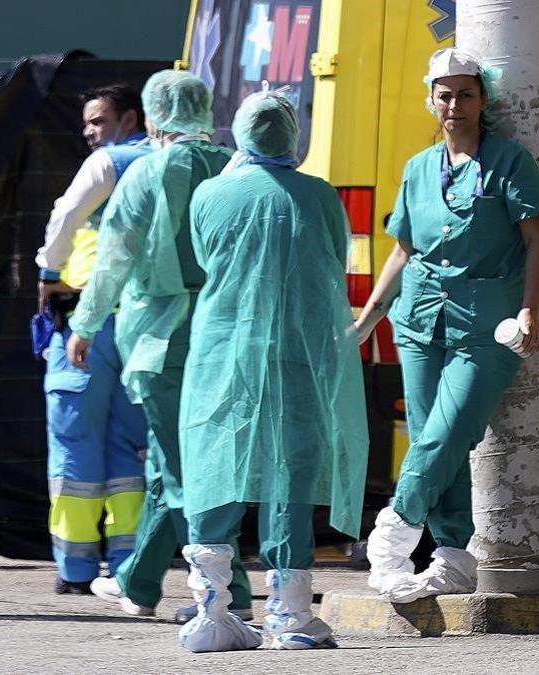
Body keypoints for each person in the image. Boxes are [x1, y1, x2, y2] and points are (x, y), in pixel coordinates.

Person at [355, 48, 539, 603]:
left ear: (483, 99)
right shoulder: (419, 167)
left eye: (466, 93)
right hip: (418, 320)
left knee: (446, 433)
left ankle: (392, 537)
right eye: (445, 94)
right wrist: (368, 319)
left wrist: (530, 309)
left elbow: (537, 237)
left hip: (487, 325)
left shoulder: (509, 161)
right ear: (431, 100)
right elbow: (402, 250)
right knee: (429, 439)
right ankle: (453, 557)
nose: (455, 104)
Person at [175, 90, 369, 652]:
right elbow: (337, 258)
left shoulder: (210, 195)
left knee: (218, 464)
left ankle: (214, 612)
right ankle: (289, 615)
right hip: (300, 353)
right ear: (292, 135)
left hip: (225, 351)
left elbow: (207, 260)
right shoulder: (319, 197)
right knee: (291, 475)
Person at [64, 71, 253, 623]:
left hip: (159, 338)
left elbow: (114, 258)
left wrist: (85, 323)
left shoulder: (146, 174)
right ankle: (140, 582)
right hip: (225, 333)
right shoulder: (232, 168)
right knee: (182, 463)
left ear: (151, 118)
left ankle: (227, 590)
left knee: (181, 468)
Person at [34, 84, 150, 595]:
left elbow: (65, 216)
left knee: (74, 443)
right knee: (129, 447)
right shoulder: (176, 163)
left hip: (87, 321)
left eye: (99, 121)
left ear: (131, 119)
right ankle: (128, 563)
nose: (90, 132)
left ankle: (76, 569)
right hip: (144, 326)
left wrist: (47, 270)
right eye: (86, 123)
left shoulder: (110, 163)